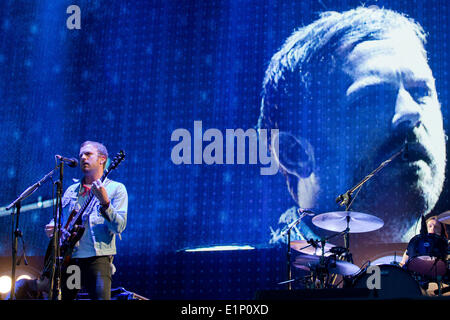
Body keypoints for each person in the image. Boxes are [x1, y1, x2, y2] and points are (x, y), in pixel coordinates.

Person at [257, 6, 447, 246]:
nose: (410, 112)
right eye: (372, 99)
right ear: (295, 154)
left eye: (421, 92)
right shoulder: (241, 281)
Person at [44, 140, 128, 300]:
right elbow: (59, 219)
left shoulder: (116, 189)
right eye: (81, 154)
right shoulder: (70, 190)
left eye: (88, 154)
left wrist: (105, 203)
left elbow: (119, 227)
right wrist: (53, 226)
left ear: (102, 159)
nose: (83, 157)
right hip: (71, 259)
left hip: (97, 259)